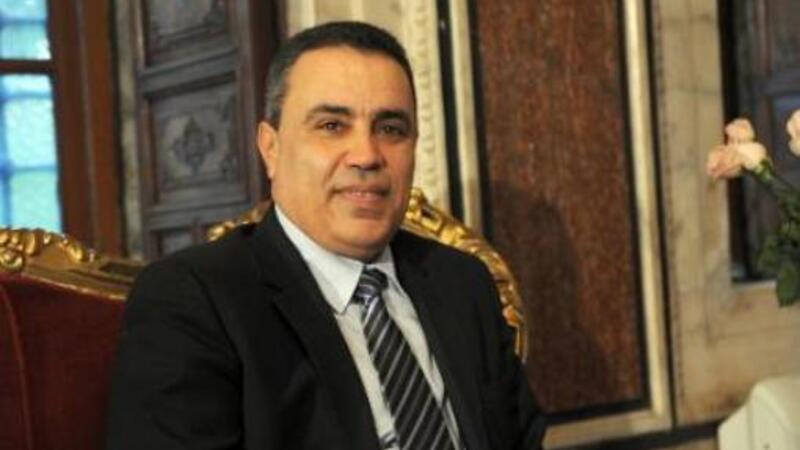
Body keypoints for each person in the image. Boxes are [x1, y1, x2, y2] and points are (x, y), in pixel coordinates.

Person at [106, 21, 545, 450]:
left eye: (390, 129)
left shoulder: (461, 281)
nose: (367, 155)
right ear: (271, 148)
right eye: (333, 126)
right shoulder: (194, 300)